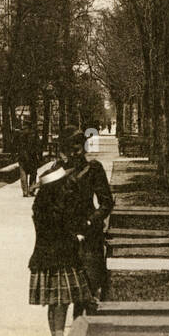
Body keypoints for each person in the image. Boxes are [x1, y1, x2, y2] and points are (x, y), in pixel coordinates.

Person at [28, 138, 93, 336]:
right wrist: (77, 237)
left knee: (51, 301)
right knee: (63, 301)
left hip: (43, 257)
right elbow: (67, 229)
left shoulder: (39, 207)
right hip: (64, 257)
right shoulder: (61, 205)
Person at [64, 127, 113, 315]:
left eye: (77, 148)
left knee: (90, 286)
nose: (74, 153)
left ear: (84, 148)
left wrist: (92, 221)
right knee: (67, 289)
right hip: (66, 233)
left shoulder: (94, 169)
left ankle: (88, 329)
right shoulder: (59, 172)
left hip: (89, 233)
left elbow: (106, 202)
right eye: (69, 149)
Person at [15, 119, 41, 198]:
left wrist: (16, 154)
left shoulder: (19, 134)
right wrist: (39, 155)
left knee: (23, 174)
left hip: (22, 156)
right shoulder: (34, 134)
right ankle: (31, 190)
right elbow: (38, 145)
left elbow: (14, 145)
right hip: (32, 156)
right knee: (33, 173)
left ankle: (25, 192)